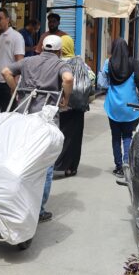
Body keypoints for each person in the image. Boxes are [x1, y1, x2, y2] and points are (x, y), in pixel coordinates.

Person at [2, 35, 74, 222]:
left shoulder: (28, 61)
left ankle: (14, 199)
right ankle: (39, 209)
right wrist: (66, 98)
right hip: (46, 120)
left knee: (22, 158)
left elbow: (5, 72)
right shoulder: (60, 65)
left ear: (42, 47)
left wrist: (15, 90)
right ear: (58, 51)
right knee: (46, 164)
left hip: (25, 117)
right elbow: (67, 79)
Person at [102, 38, 139, 178]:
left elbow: (103, 82)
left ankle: (118, 167)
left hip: (113, 106)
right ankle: (127, 163)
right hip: (130, 107)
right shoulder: (135, 64)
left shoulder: (108, 63)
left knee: (115, 137)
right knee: (127, 136)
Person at [53, 33, 83, 178]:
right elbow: (91, 77)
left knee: (59, 134)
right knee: (75, 138)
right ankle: (71, 167)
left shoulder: (57, 63)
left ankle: (55, 164)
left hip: (60, 104)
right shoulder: (78, 61)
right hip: (77, 105)